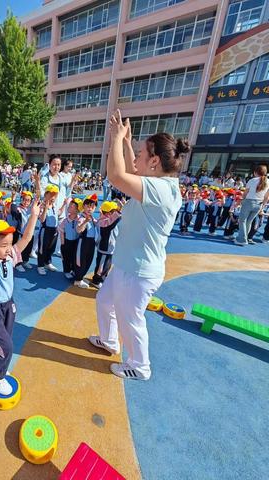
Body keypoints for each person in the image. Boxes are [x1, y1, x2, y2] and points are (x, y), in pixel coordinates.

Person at [89, 110, 189, 381]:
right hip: (127, 264)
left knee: (130, 320)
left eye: (141, 154)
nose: (136, 158)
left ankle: (140, 365)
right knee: (104, 301)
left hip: (138, 272)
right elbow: (131, 170)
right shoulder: (157, 183)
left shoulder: (161, 189)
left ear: (154, 161)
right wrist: (125, 142)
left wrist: (116, 139)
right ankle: (110, 342)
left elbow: (117, 176)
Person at [0, 199, 40, 395]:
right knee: (6, 345)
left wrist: (35, 215)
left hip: (8, 306)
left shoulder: (10, 256)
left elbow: (27, 238)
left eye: (9, 244)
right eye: (3, 245)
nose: (8, 248)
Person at [235, 165, 269, 246]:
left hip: (248, 202)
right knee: (249, 221)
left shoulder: (252, 180)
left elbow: (245, 193)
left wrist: (240, 201)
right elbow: (267, 197)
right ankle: (243, 238)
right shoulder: (268, 181)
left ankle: (242, 239)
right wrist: (262, 206)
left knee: (242, 220)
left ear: (255, 172)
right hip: (259, 203)